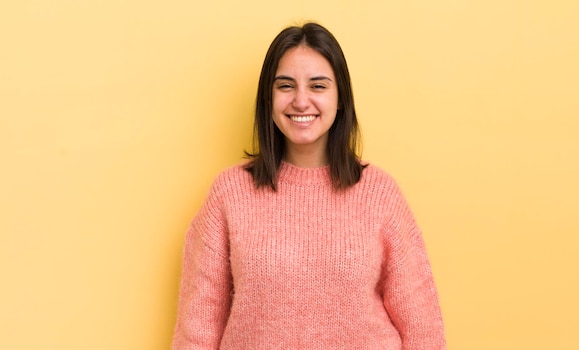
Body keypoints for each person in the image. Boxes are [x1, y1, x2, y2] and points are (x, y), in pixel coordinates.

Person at [172, 22, 446, 349]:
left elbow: (422, 326)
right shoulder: (230, 194)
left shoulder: (379, 194)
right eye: (286, 86)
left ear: (340, 97)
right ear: (267, 97)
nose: (301, 101)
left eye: (318, 86)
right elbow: (197, 328)